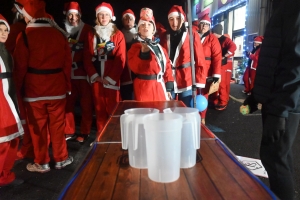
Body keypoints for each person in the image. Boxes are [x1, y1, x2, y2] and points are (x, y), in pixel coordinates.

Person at [244, 0, 300, 199]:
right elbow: (271, 59)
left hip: (283, 102)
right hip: (276, 100)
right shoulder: (286, 7)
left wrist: (280, 111)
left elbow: (295, 65)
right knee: (277, 157)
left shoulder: (294, 9)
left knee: (276, 159)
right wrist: (256, 95)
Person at [13, 0, 73, 173]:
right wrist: (67, 85)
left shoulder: (24, 35)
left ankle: (42, 162)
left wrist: (17, 89)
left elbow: (20, 67)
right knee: (57, 126)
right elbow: (66, 64)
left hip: (34, 90)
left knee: (37, 128)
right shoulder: (59, 34)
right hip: (57, 88)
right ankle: (61, 158)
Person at [83, 2, 126, 133]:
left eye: (106, 14)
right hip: (97, 77)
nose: (103, 17)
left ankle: (115, 135)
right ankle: (101, 136)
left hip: (111, 76)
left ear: (111, 16)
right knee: (99, 108)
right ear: (97, 17)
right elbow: (86, 57)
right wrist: (95, 76)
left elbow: (121, 58)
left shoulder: (118, 34)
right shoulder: (91, 34)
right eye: (101, 15)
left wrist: (111, 77)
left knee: (113, 108)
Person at [160, 5, 207, 107]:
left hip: (187, 79)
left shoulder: (191, 34)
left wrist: (199, 82)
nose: (175, 23)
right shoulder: (164, 36)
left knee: (186, 110)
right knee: (169, 109)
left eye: (177, 18)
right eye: (171, 19)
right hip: (169, 79)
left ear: (183, 19)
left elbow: (200, 59)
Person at [127, 7, 174, 101]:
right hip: (143, 88)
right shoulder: (135, 47)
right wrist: (143, 53)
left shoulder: (160, 48)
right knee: (145, 114)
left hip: (159, 86)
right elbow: (134, 67)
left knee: (160, 113)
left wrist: (168, 84)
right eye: (142, 25)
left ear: (153, 30)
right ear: (138, 30)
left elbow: (167, 65)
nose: (146, 27)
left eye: (149, 24)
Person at [63, 2, 93, 143]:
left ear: (80, 15)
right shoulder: (63, 31)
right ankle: (69, 131)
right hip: (69, 74)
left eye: (75, 15)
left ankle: (85, 131)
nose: (73, 18)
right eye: (70, 15)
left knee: (86, 104)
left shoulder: (88, 29)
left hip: (83, 73)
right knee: (68, 104)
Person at [0, 14, 24, 187]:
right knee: (4, 140)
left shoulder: (6, 51)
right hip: (2, 101)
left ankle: (5, 171)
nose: (3, 33)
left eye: (5, 30)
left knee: (12, 139)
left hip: (9, 97)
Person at [197, 14, 222, 124]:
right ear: (199, 24)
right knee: (193, 93)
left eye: (207, 25)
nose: (204, 26)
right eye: (202, 24)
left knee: (204, 94)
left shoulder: (212, 39)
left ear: (209, 26)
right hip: (194, 70)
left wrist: (216, 74)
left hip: (206, 71)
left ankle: (202, 117)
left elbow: (217, 56)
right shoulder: (194, 36)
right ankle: (193, 115)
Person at [211, 24, 236, 110]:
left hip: (222, 65)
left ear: (216, 32)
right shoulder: (216, 39)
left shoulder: (225, 39)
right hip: (217, 64)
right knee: (216, 83)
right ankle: (217, 100)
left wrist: (225, 56)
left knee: (222, 84)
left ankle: (223, 102)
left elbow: (233, 47)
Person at [120, 9, 136, 100]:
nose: (128, 20)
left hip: (137, 73)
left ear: (134, 20)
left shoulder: (140, 33)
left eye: (130, 18)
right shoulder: (118, 34)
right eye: (126, 18)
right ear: (122, 21)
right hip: (125, 72)